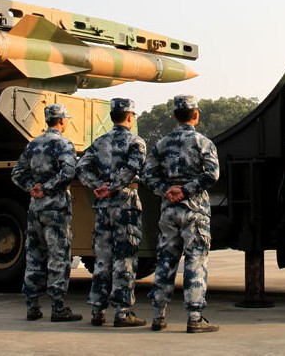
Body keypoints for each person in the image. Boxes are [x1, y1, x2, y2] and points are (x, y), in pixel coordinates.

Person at [142, 95, 220, 333]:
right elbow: (212, 174)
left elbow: (147, 175)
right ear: (196, 114)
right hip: (194, 211)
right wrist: (186, 190)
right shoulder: (203, 142)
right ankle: (194, 317)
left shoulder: (161, 144)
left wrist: (167, 191)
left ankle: (158, 315)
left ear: (175, 116)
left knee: (165, 260)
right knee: (195, 260)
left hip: (168, 211)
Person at [76, 98, 147, 327]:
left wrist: (97, 185)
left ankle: (97, 311)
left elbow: (81, 167)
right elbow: (133, 168)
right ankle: (123, 312)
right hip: (125, 205)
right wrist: (114, 187)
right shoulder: (136, 142)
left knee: (102, 259)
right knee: (124, 259)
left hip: (103, 208)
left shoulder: (99, 143)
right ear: (129, 116)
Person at [11, 103, 83, 322]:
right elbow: (68, 172)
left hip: (35, 208)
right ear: (61, 121)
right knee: (58, 257)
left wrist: (33, 187)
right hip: (56, 209)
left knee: (34, 256)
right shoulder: (63, 144)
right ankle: (58, 307)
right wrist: (48, 188)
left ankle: (32, 307)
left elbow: (17, 173)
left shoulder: (33, 144)